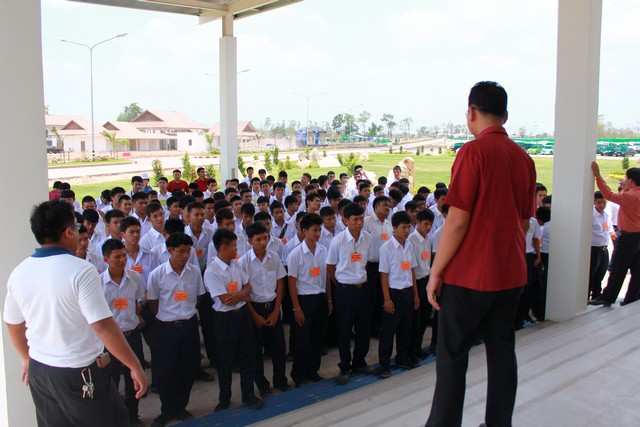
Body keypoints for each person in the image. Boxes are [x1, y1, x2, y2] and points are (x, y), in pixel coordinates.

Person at [425, 81, 536, 427]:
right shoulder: (524, 159)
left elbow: (457, 220)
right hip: (511, 274)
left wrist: (436, 271)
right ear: (505, 116)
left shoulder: (472, 152)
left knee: (452, 355)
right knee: (502, 351)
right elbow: (524, 221)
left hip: (469, 277)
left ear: (471, 112)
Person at [3, 200, 147, 426]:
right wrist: (134, 364)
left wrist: (26, 358)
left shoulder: (20, 271)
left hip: (40, 370)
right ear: (69, 232)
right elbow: (102, 326)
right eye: (77, 227)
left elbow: (13, 323)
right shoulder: (82, 270)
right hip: (79, 370)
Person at [146, 232, 205, 426]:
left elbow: (198, 298)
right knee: (166, 371)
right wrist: (168, 317)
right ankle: (167, 410)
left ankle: (182, 407)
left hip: (189, 326)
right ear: (170, 251)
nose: (185, 255)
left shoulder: (194, 272)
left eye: (188, 251)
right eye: (181, 251)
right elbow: (153, 303)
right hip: (167, 328)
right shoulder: (157, 275)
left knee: (188, 368)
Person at [205, 228, 265, 412]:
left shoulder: (236, 264)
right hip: (225, 320)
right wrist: (242, 295)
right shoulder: (212, 271)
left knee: (248, 355)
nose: (236, 249)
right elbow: (225, 300)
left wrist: (240, 295)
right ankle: (224, 398)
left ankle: (249, 395)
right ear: (223, 248)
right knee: (225, 360)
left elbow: (248, 286)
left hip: (242, 316)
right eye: (233, 246)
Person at [239, 222, 290, 396]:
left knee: (278, 348)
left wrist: (276, 311)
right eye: (258, 239)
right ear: (249, 241)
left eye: (265, 238)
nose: (263, 243)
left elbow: (280, 283)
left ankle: (280, 380)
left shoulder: (273, 257)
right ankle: (262, 385)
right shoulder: (243, 262)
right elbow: (244, 292)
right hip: (254, 308)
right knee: (255, 350)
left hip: (273, 306)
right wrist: (254, 316)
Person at [100, 239, 146, 427]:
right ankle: (114, 418)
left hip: (132, 334)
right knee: (111, 379)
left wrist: (136, 315)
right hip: (111, 339)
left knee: (133, 377)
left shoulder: (134, 277)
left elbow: (138, 300)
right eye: (117, 257)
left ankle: (133, 415)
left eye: (124, 256)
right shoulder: (99, 283)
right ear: (106, 259)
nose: (122, 260)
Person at [326, 203, 373, 385]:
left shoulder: (367, 238)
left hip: (363, 289)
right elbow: (330, 267)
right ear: (345, 221)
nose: (359, 223)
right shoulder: (338, 241)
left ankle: (360, 362)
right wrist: (340, 285)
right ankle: (345, 366)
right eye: (355, 220)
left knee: (363, 328)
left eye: (361, 219)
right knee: (345, 330)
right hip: (345, 291)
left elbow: (365, 262)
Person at [287, 213, 330, 387]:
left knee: (318, 339)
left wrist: (329, 300)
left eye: (320, 230)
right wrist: (296, 308)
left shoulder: (323, 250)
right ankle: (298, 374)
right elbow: (291, 282)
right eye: (314, 230)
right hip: (304, 301)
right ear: (305, 231)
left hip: (320, 299)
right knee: (302, 340)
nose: (318, 234)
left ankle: (313, 370)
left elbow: (326, 277)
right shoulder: (295, 254)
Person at [589, 163, 640, 306]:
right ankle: (632, 296)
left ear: (631, 180)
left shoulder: (630, 196)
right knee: (637, 268)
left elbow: (609, 195)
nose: (624, 180)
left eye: (626, 178)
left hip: (629, 236)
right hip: (637, 236)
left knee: (618, 267)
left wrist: (598, 176)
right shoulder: (633, 194)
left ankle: (608, 297)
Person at [376, 211, 420, 378]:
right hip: (394, 294)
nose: (407, 231)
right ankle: (384, 364)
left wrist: (415, 295)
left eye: (409, 227)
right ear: (394, 228)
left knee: (406, 328)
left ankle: (402, 358)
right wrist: (387, 300)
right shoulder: (386, 248)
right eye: (403, 227)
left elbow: (412, 271)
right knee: (388, 331)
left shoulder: (410, 246)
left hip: (408, 292)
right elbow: (384, 276)